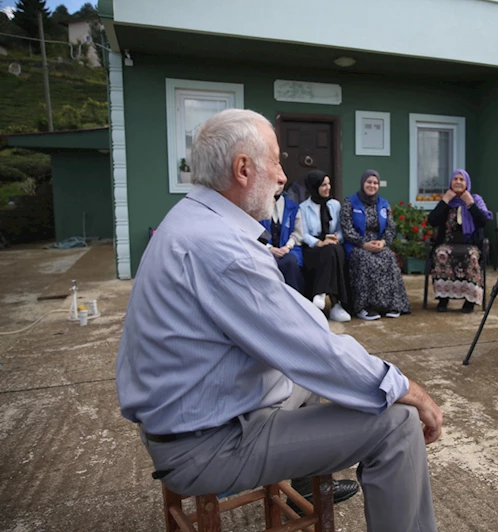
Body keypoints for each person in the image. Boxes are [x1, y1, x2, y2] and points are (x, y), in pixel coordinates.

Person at [115, 109, 443, 532]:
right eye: (275, 161)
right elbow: (314, 351)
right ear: (243, 169)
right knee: (396, 420)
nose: (284, 176)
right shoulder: (223, 248)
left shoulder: (189, 219)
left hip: (187, 418)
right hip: (206, 444)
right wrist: (408, 388)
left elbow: (296, 326)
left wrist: (321, 337)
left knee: (326, 374)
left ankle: (305, 482)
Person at [341, 169, 411, 320]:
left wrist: (383, 242)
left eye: (375, 183)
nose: (372, 185)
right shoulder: (350, 202)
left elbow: (391, 227)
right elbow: (347, 228)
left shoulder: (383, 203)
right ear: (363, 183)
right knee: (365, 260)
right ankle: (364, 307)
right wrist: (363, 244)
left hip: (379, 243)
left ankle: (391, 305)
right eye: (369, 182)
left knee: (388, 258)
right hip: (357, 245)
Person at [428, 169, 493, 313]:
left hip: (470, 244)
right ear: (451, 182)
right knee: (441, 253)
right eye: (455, 179)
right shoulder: (447, 201)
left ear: (467, 183)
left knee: (471, 256)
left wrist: (470, 203)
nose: (458, 182)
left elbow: (483, 222)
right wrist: (445, 201)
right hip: (447, 242)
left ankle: (469, 301)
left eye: (461, 179)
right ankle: (443, 299)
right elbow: (432, 221)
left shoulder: (475, 199)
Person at [299, 170, 351, 322]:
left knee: (333, 250)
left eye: (329, 184)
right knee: (329, 251)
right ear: (314, 187)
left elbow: (341, 231)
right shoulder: (303, 208)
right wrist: (319, 242)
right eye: (323, 185)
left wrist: (336, 238)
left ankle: (321, 293)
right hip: (314, 248)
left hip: (334, 245)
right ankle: (336, 304)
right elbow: (303, 233)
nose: (328, 188)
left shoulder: (335, 205)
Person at [258, 182, 304, 293]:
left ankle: (295, 297)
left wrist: (287, 247)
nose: (278, 186)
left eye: (281, 183)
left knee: (291, 261)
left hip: (289, 249)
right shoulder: (259, 206)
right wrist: (270, 248)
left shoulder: (292, 207)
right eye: (274, 182)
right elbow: (257, 231)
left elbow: (298, 233)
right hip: (265, 249)